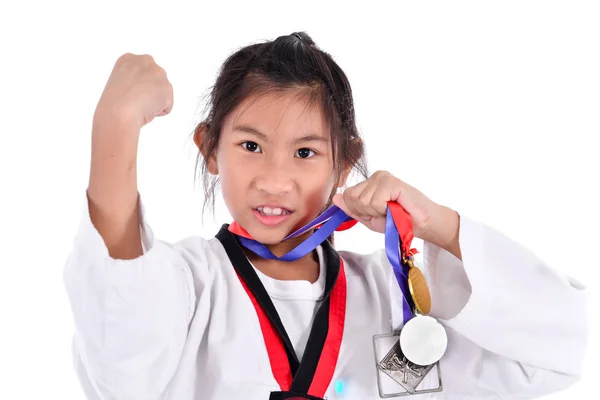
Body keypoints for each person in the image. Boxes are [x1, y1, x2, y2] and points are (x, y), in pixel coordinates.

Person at [63, 32, 588, 400]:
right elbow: (121, 358)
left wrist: (434, 223)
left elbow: (557, 349)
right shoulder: (189, 286)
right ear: (210, 150)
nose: (274, 179)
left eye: (306, 153)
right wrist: (116, 125)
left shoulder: (398, 299)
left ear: (345, 161)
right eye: (250, 145)